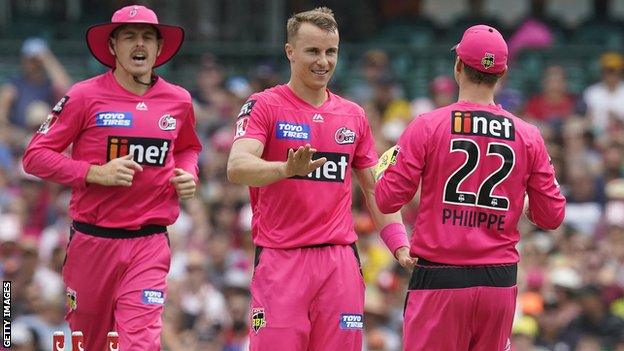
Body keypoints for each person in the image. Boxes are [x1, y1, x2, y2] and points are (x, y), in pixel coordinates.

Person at [226, 7, 413, 351]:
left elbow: (375, 190)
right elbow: (237, 166)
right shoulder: (264, 105)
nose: (323, 61)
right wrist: (285, 170)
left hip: (338, 262)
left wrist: (400, 244)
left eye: (331, 52)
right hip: (280, 260)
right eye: (313, 51)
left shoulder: (353, 115)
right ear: (290, 51)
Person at [374, 25, 566, 350]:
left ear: (458, 66)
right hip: (498, 283)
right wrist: (527, 206)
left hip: (440, 279)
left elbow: (388, 198)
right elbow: (552, 215)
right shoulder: (528, 134)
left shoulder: (427, 125)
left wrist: (384, 168)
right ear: (502, 73)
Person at [22, 4, 202, 351]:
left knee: (140, 343)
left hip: (149, 243)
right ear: (112, 47)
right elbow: (35, 156)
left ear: (159, 48)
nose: (140, 45)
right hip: (92, 243)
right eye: (130, 37)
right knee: (87, 343)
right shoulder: (83, 95)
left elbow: (188, 148)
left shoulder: (179, 100)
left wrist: (187, 173)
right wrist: (92, 172)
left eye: (148, 38)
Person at [0, 37, 72, 128]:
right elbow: (2, 120)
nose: (32, 64)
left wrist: (47, 59)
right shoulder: (14, 85)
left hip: (45, 133)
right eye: (29, 60)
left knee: (41, 111)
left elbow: (68, 92)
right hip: (20, 136)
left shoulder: (50, 84)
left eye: (36, 61)